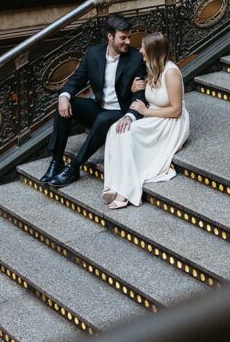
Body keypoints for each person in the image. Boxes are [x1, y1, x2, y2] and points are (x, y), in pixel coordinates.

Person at [41, 13, 147, 189]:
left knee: (103, 119)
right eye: (123, 38)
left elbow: (140, 95)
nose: (128, 41)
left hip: (120, 112)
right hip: (100, 108)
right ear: (110, 36)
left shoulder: (135, 58)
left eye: (129, 37)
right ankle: (56, 161)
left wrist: (130, 116)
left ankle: (74, 167)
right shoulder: (93, 54)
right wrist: (64, 96)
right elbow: (76, 79)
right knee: (67, 103)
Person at [102, 32, 189, 209]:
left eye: (144, 47)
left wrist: (146, 111)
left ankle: (125, 191)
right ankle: (113, 184)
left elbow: (176, 110)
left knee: (129, 135)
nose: (140, 50)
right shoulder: (151, 68)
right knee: (115, 130)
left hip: (169, 121)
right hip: (152, 116)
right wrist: (132, 88)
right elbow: (140, 97)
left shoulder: (171, 72)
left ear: (154, 51)